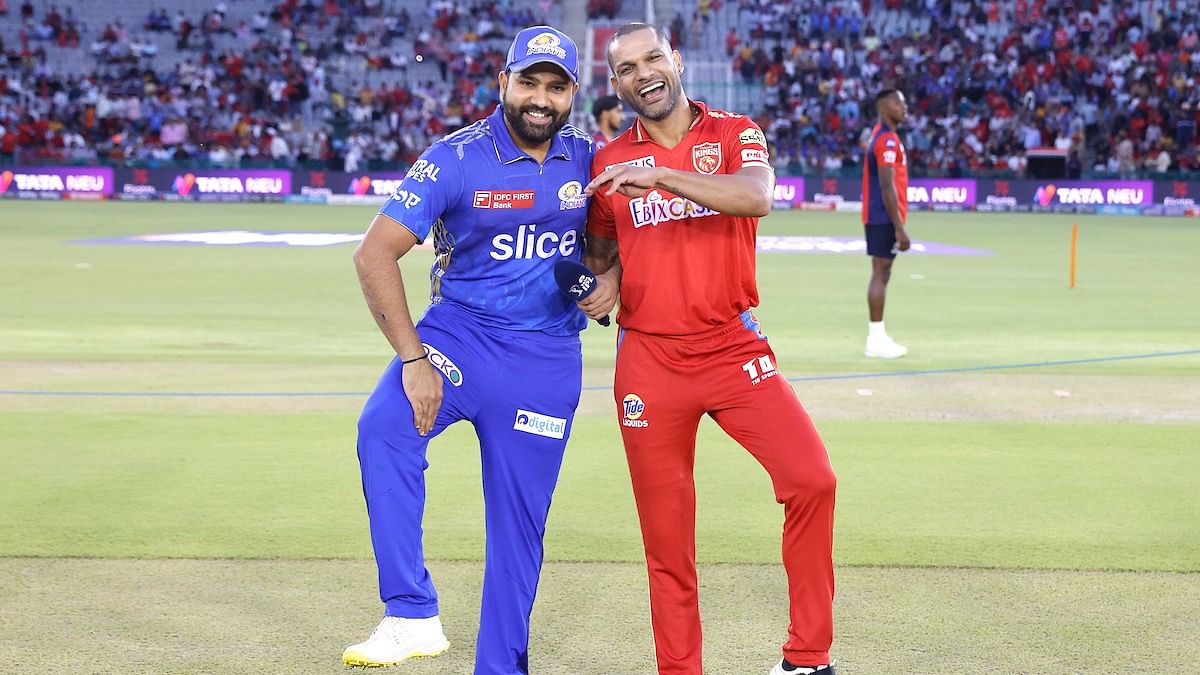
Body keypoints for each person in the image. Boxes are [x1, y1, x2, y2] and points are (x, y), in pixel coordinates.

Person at [578, 23, 838, 675]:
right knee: (668, 541)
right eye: (627, 68)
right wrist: (603, 281)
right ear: (616, 84)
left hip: (732, 349)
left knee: (812, 480)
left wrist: (663, 176)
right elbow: (603, 247)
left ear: (678, 61)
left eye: (652, 58)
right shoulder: (607, 162)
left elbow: (757, 197)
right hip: (649, 362)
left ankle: (806, 658)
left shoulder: (733, 132)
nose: (643, 74)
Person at [343, 25, 594, 674]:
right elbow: (374, 253)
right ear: (503, 83)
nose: (541, 98)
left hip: (546, 361)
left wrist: (599, 281)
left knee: (518, 531)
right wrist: (413, 358)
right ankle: (410, 612)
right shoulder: (455, 157)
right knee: (385, 427)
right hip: (458, 341)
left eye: (556, 86)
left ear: (572, 94)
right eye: (529, 82)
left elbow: (595, 255)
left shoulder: (590, 160)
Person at [861, 89, 911, 359]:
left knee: (884, 272)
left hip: (880, 215)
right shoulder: (887, 140)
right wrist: (899, 226)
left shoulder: (880, 136)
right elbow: (886, 185)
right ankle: (875, 339)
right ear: (883, 107)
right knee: (880, 272)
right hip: (883, 216)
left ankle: (877, 335)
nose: (904, 107)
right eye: (898, 102)